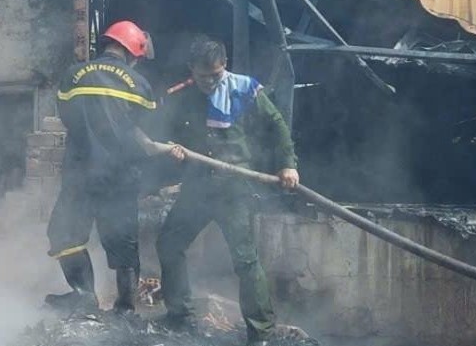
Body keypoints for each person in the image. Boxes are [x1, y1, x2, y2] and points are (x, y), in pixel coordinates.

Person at [156, 36, 299, 346]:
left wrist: (288, 164)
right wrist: (174, 151)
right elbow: (169, 136)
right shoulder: (180, 95)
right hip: (196, 186)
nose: (209, 81)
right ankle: (179, 317)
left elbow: (277, 125)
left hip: (233, 188)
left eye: (215, 74)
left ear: (225, 67)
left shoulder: (245, 89)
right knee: (169, 244)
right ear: (191, 69)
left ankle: (260, 332)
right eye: (202, 75)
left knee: (245, 260)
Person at [44, 20, 165, 315]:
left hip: (80, 174)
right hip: (120, 177)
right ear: (133, 51)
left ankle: (84, 295)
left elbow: (68, 117)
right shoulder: (140, 84)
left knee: (64, 234)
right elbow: (145, 133)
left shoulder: (73, 76)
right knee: (122, 241)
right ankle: (125, 309)